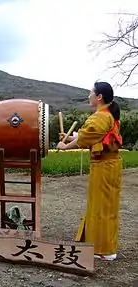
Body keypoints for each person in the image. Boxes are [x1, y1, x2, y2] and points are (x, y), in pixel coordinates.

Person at [57, 81, 123, 261]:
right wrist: (71, 138)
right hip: (106, 166)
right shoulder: (106, 115)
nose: (88, 96)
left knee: (103, 208)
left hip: (105, 167)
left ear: (99, 97)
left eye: (90, 93)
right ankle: (99, 245)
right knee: (100, 206)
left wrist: (65, 146)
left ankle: (105, 250)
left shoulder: (100, 117)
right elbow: (92, 137)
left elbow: (84, 139)